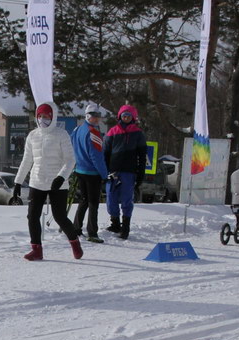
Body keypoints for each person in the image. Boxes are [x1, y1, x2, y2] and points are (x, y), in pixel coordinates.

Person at [13, 101, 82, 261]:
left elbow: (70, 160)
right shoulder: (32, 136)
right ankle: (36, 249)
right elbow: (26, 160)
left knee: (59, 217)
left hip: (57, 183)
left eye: (46, 116)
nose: (42, 119)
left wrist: (61, 177)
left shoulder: (61, 135)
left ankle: (74, 241)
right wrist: (18, 182)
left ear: (53, 117)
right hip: (37, 181)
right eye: (40, 116)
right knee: (32, 216)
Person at [102, 104, 147, 240]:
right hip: (113, 170)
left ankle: (125, 227)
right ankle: (115, 223)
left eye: (128, 115)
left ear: (133, 117)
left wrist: (140, 174)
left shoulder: (138, 133)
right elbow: (105, 153)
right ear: (119, 116)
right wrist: (104, 171)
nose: (126, 117)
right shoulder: (112, 132)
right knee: (111, 198)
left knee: (127, 199)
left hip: (129, 171)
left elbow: (142, 155)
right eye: (124, 115)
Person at [71, 102, 109, 243]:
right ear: (88, 116)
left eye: (98, 116)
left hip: (80, 170)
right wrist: (104, 175)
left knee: (84, 200)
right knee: (93, 203)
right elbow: (97, 157)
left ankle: (76, 228)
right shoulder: (93, 133)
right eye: (94, 116)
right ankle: (92, 232)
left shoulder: (77, 129)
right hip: (92, 173)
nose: (97, 119)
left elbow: (72, 144)